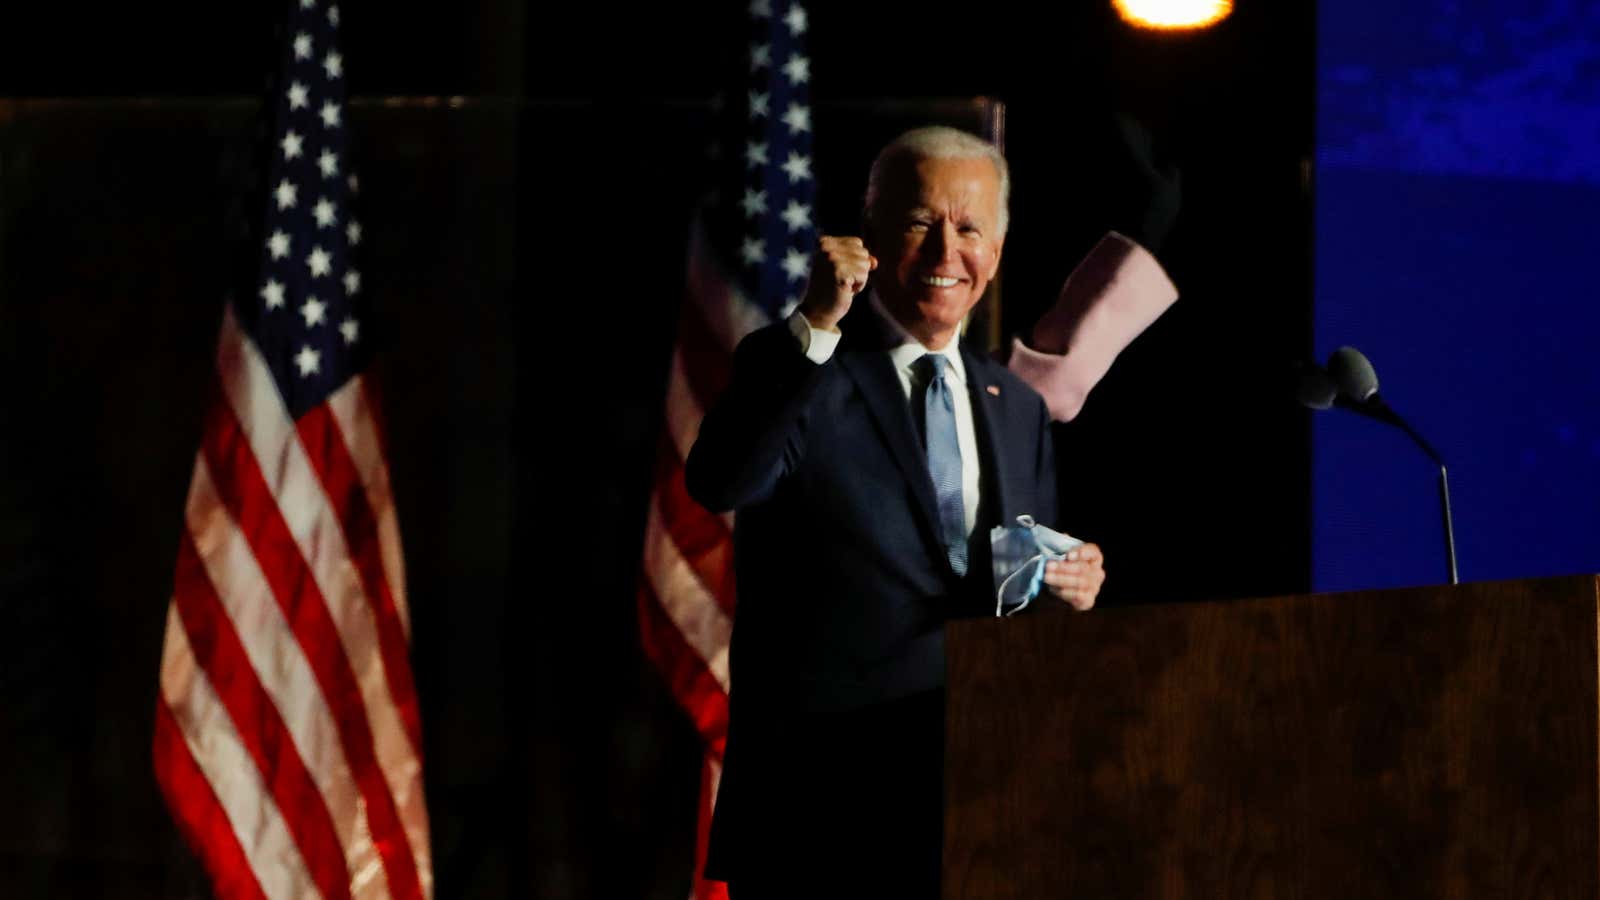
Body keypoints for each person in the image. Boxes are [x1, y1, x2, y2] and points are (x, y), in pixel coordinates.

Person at [685, 126, 1107, 895]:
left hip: (979, 808)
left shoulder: (1015, 406)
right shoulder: (803, 369)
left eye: (970, 228)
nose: (947, 252)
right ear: (870, 235)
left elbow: (1013, 601)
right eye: (920, 222)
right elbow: (721, 482)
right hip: (819, 822)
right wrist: (814, 324)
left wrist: (1066, 585)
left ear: (999, 250)